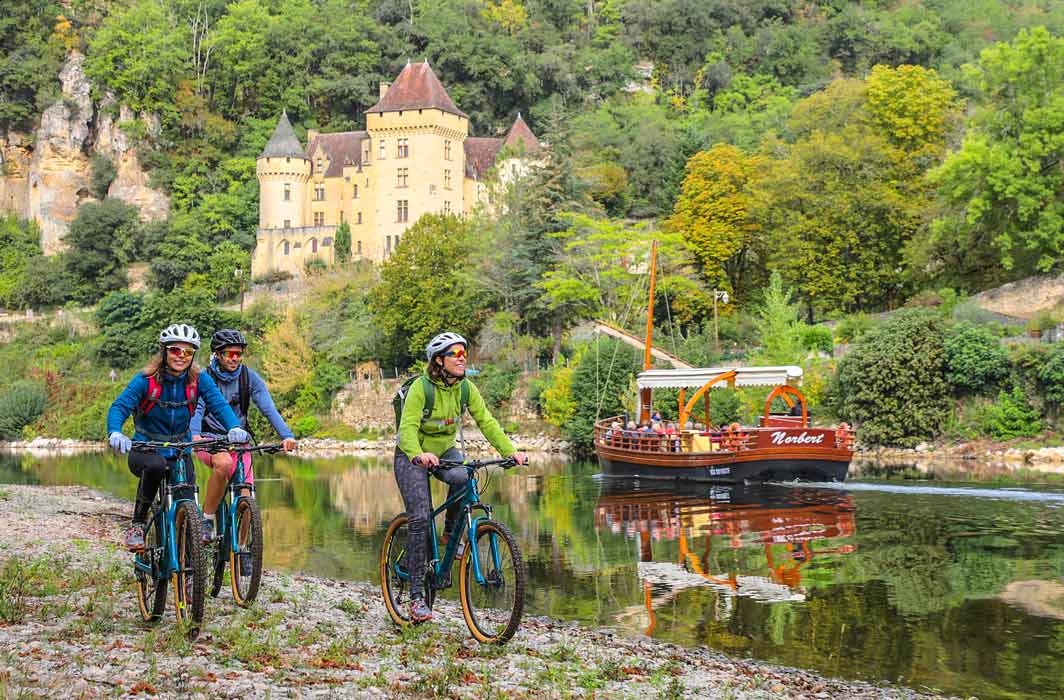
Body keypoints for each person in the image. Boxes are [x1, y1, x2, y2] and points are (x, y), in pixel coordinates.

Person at [394, 331, 528, 623]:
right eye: (455, 354)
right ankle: (416, 598)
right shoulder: (421, 388)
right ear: (439, 361)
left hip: (444, 451)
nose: (462, 357)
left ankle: (450, 534)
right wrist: (418, 454)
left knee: (465, 477)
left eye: (464, 353)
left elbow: (487, 422)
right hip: (412, 455)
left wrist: (511, 451)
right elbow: (406, 430)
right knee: (419, 517)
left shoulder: (466, 388)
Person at [106, 324, 249, 550]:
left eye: (188, 352)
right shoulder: (146, 380)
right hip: (145, 450)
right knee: (156, 466)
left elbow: (219, 404)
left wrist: (233, 426)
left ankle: (192, 573)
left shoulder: (198, 380)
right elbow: (120, 406)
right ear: (164, 351)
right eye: (175, 350)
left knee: (188, 503)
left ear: (193, 356)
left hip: (180, 451)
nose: (181, 357)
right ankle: (137, 525)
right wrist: (115, 431)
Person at [191, 329, 297, 543]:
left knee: (247, 496)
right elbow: (197, 409)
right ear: (217, 354)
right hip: (209, 439)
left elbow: (269, 408)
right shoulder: (205, 378)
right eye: (230, 354)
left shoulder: (249, 378)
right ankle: (207, 519)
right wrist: (194, 435)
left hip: (240, 442)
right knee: (223, 465)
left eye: (239, 354)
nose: (235, 358)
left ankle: (241, 549)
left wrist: (287, 435)